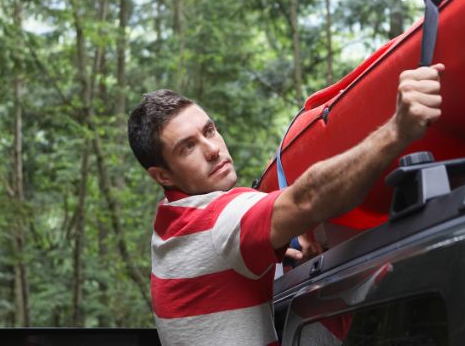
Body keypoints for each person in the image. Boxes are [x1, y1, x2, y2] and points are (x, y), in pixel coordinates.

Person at [127, 64, 444, 346]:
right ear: (162, 175)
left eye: (209, 130)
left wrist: (283, 233)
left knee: (316, 303)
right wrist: (396, 131)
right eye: (188, 147)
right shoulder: (215, 221)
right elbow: (307, 199)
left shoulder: (172, 225)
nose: (212, 149)